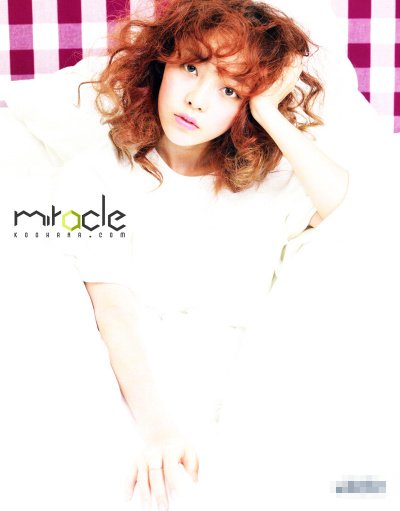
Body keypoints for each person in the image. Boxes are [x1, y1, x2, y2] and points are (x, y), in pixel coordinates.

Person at [71, 0, 349, 509]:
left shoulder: (271, 182)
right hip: (142, 389)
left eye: (229, 90)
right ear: (160, 63)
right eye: (190, 68)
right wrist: (158, 430)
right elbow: (112, 308)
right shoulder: (99, 173)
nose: (196, 100)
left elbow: (350, 212)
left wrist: (269, 114)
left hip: (251, 388)